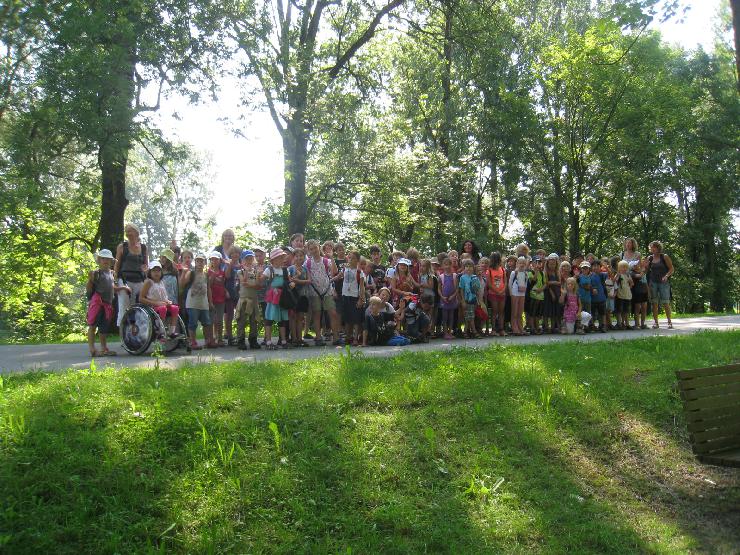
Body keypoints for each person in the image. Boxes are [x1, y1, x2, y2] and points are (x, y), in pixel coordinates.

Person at [86, 249, 126, 356]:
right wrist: (90, 280)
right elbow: (89, 289)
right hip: (97, 303)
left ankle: (104, 348)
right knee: (93, 325)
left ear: (111, 261)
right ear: (99, 260)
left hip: (107, 304)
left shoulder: (112, 274)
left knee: (104, 327)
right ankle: (92, 348)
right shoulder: (96, 273)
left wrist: (123, 288)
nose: (105, 261)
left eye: (108, 259)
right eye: (103, 258)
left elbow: (112, 288)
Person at [305, 239, 341, 346]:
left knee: (333, 313)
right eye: (311, 249)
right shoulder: (307, 263)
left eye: (315, 248)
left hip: (327, 291)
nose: (314, 250)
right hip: (314, 292)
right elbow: (307, 276)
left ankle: (335, 337)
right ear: (309, 251)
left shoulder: (326, 260)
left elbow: (334, 271)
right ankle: (318, 337)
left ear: (319, 247)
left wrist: (331, 258)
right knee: (317, 314)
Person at [114, 223, 149, 327]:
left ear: (136, 233)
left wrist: (146, 271)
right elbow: (117, 265)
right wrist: (115, 282)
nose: (128, 233)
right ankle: (123, 334)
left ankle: (138, 332)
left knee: (139, 306)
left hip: (140, 280)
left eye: (130, 230)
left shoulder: (143, 248)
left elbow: (146, 265)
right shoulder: (122, 247)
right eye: (126, 231)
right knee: (124, 306)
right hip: (125, 281)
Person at [181, 253, 215, 350]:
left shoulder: (206, 275)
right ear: (195, 262)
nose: (200, 263)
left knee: (207, 323)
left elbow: (208, 289)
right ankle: (193, 342)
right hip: (192, 303)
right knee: (193, 323)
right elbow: (182, 284)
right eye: (198, 261)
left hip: (203, 303)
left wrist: (210, 302)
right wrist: (183, 272)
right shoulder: (191, 273)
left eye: (202, 261)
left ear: (205, 263)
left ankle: (208, 341)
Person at [140, 261, 181, 337]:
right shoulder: (149, 282)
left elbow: (163, 296)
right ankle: (160, 331)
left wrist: (168, 301)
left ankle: (172, 331)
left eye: (158, 270)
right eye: (154, 270)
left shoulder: (162, 282)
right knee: (162, 309)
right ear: (150, 272)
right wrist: (156, 303)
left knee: (175, 308)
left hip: (163, 304)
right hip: (152, 306)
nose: (156, 273)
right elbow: (141, 298)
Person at [263, 248, 290, 349]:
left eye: (282, 257)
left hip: (282, 297)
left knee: (282, 319)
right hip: (272, 297)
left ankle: (283, 341)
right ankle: (268, 342)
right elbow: (262, 279)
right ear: (273, 260)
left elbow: (288, 281)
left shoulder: (285, 270)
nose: (281, 260)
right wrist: (259, 276)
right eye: (278, 258)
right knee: (269, 318)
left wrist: (291, 283)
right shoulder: (269, 270)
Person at [235, 250, 262, 350]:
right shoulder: (240, 272)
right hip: (244, 300)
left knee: (254, 320)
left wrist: (258, 274)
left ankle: (253, 340)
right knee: (241, 320)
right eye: (247, 259)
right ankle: (241, 340)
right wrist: (246, 271)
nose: (249, 261)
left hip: (254, 300)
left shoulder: (256, 272)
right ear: (243, 260)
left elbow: (259, 285)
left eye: (251, 258)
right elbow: (244, 282)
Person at [340, 250, 366, 346]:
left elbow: (362, 287)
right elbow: (338, 277)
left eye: (353, 258)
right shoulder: (344, 269)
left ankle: (355, 338)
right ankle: (348, 337)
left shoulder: (360, 272)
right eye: (349, 257)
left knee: (356, 319)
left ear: (357, 260)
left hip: (355, 297)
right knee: (347, 319)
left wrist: (361, 299)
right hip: (345, 296)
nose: (350, 260)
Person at [647, 240, 674, 329]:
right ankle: (656, 323)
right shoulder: (650, 258)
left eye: (654, 247)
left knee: (666, 302)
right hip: (653, 282)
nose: (652, 249)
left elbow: (671, 269)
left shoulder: (664, 257)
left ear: (658, 248)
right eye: (651, 247)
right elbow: (645, 269)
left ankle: (669, 322)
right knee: (654, 303)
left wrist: (666, 276)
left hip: (663, 282)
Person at [288, 247, 311, 347]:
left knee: (300, 318)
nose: (299, 258)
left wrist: (297, 281)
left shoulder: (305, 268)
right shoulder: (290, 268)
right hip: (293, 297)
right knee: (293, 317)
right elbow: (289, 281)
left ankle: (300, 338)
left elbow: (309, 281)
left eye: (301, 256)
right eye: (296, 256)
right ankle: (294, 338)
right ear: (293, 257)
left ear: (304, 257)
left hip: (303, 296)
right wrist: (297, 277)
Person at [207, 251, 227, 346]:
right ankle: (212, 338)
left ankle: (220, 338)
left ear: (220, 261)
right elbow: (208, 285)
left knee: (219, 320)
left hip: (221, 299)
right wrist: (212, 276)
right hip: (211, 299)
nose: (214, 261)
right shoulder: (207, 272)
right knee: (212, 319)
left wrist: (226, 291)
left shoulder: (222, 273)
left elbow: (223, 284)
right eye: (212, 259)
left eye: (216, 259)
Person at [458, 259, 482, 338]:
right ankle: (474, 332)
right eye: (466, 266)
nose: (468, 268)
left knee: (470, 316)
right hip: (467, 300)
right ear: (463, 268)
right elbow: (461, 289)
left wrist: (479, 300)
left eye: (470, 266)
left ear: (473, 268)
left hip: (474, 299)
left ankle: (466, 332)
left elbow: (478, 290)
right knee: (469, 316)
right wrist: (463, 301)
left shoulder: (475, 277)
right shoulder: (462, 278)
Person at [223, 246, 241, 346]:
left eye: (237, 253)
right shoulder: (227, 265)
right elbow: (227, 276)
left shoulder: (242, 265)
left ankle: (240, 336)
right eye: (233, 253)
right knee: (229, 316)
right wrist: (230, 265)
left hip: (239, 294)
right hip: (230, 293)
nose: (235, 255)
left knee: (240, 316)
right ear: (230, 255)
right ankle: (230, 337)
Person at [486, 252, 507, 336]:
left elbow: (505, 281)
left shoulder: (502, 269)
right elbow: (489, 284)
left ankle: (501, 329)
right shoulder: (489, 270)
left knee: (501, 311)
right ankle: (494, 329)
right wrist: (497, 291)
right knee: (494, 311)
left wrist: (503, 290)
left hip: (502, 293)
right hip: (493, 293)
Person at [438, 257, 459, 339]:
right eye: (445, 264)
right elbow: (439, 289)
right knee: (445, 317)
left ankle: (450, 332)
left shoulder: (454, 276)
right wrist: (442, 297)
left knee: (451, 316)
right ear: (442, 266)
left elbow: (457, 288)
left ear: (451, 265)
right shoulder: (441, 276)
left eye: (449, 264)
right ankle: (445, 332)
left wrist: (453, 296)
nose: (447, 266)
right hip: (444, 299)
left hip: (452, 299)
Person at [508, 256, 528, 336]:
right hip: (515, 293)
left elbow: (526, 283)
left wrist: (524, 293)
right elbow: (509, 284)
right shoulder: (514, 273)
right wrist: (510, 293)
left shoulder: (525, 273)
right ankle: (514, 327)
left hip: (522, 294)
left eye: (523, 263)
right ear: (517, 264)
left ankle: (520, 327)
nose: (522, 265)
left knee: (520, 311)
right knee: (515, 311)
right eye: (520, 263)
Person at [543, 254, 561, 334]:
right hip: (548, 292)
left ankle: (553, 327)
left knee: (554, 311)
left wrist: (552, 283)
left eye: (554, 264)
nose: (552, 266)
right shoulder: (546, 272)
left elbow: (560, 282)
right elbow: (546, 284)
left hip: (556, 292)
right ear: (547, 264)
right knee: (547, 310)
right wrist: (554, 283)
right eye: (550, 264)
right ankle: (546, 327)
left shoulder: (557, 271)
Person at [528, 256, 546, 335]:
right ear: (532, 263)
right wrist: (536, 271)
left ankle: (537, 327)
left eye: (539, 262)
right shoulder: (530, 272)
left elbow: (545, 283)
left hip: (540, 296)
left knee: (538, 313)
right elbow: (534, 280)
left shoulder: (542, 273)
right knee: (532, 312)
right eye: (536, 262)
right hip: (533, 296)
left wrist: (541, 289)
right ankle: (532, 327)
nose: (538, 264)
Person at [614, 260, 634, 330]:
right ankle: (619, 323)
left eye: (625, 267)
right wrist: (617, 277)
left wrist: (630, 282)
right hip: (620, 295)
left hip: (627, 295)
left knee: (626, 310)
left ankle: (626, 323)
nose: (624, 269)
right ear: (619, 268)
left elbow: (632, 284)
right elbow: (614, 281)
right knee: (619, 310)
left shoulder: (628, 275)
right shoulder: (618, 275)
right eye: (622, 267)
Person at [630, 258, 649, 329]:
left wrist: (648, 291)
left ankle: (643, 324)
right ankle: (636, 324)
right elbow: (640, 276)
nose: (638, 265)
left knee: (644, 308)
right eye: (636, 264)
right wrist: (643, 269)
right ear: (633, 266)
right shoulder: (632, 273)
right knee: (637, 308)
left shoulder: (641, 271)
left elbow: (645, 281)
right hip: (636, 293)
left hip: (644, 292)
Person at [577, 261, 593, 333]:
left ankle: (586, 326)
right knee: (581, 313)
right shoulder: (579, 277)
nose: (585, 270)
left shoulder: (590, 277)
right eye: (583, 268)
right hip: (580, 298)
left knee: (588, 313)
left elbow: (591, 286)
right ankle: (580, 327)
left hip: (588, 298)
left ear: (589, 269)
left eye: (586, 268)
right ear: (581, 269)